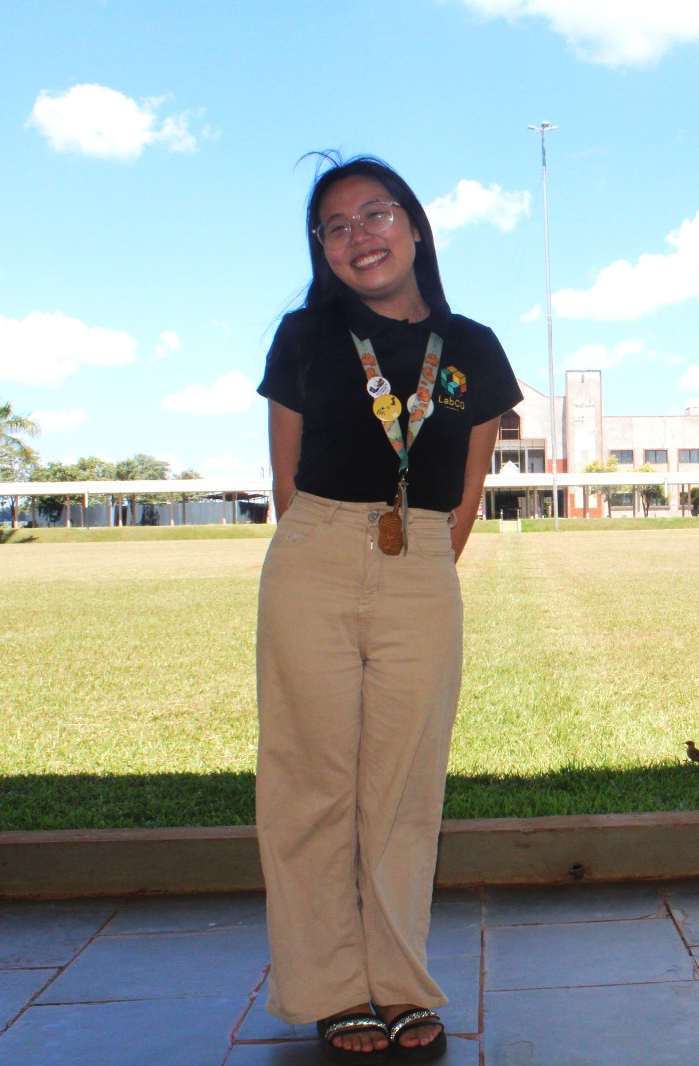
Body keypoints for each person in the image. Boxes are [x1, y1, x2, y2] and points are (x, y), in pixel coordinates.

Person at [255, 154, 522, 1063]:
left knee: (406, 787)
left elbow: (468, 493)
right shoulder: (303, 336)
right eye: (336, 227)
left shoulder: (473, 347)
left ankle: (401, 983)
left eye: (375, 214)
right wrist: (336, 550)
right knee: (311, 784)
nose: (359, 236)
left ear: (413, 227)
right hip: (315, 556)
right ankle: (332, 991)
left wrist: (414, 564)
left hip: (423, 563)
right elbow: (285, 481)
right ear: (322, 250)